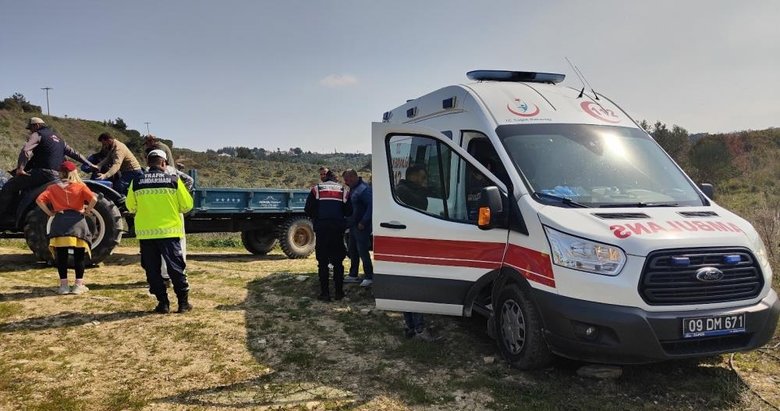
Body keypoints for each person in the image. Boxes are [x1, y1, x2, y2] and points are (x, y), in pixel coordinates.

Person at [126, 149, 194, 314]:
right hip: (170, 233)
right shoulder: (173, 180)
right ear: (164, 163)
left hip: (147, 234)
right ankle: (183, 304)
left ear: (148, 164)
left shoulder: (137, 182)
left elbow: (130, 206)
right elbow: (187, 205)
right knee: (175, 268)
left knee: (152, 270)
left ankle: (163, 304)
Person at [0, 117, 95, 216]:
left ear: (36, 126)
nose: (30, 132)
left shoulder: (38, 134)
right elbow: (75, 153)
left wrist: (20, 169)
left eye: (31, 129)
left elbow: (25, 150)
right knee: (23, 187)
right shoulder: (59, 139)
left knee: (9, 186)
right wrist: (90, 164)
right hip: (56, 175)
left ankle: (3, 216)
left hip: (42, 173)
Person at [35, 161, 98, 295]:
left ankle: (63, 286)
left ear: (60, 173)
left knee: (61, 256)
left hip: (60, 223)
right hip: (78, 224)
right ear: (73, 172)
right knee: (79, 256)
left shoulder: (52, 188)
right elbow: (94, 199)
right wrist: (87, 211)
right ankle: (78, 286)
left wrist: (50, 213)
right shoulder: (80, 186)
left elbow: (39, 200)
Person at [395, 164, 439, 342]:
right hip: (410, 245)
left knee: (408, 288)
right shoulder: (404, 191)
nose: (424, 182)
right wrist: (425, 190)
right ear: (413, 177)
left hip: (408, 243)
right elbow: (421, 203)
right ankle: (418, 328)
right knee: (415, 288)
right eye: (422, 178)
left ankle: (411, 327)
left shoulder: (405, 188)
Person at [304, 169, 352, 301]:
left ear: (325, 178)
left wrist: (319, 218)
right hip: (337, 230)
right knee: (338, 262)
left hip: (322, 230)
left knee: (323, 262)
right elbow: (349, 211)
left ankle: (325, 293)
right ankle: (339, 293)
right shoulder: (343, 191)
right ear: (336, 179)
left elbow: (307, 209)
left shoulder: (317, 189)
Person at [342, 169, 373, 287]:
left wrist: (364, 222)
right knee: (352, 250)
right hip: (353, 225)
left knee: (363, 251)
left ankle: (369, 276)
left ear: (354, 177)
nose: (346, 182)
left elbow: (371, 206)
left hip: (362, 226)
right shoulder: (353, 188)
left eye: (347, 180)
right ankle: (353, 274)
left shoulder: (364, 189)